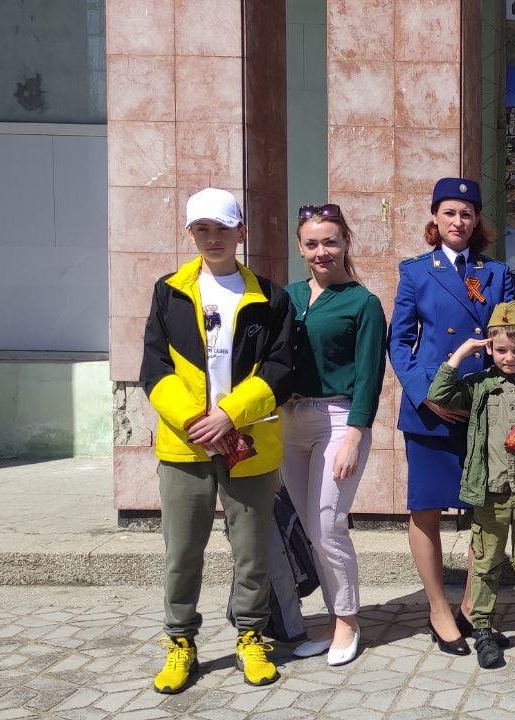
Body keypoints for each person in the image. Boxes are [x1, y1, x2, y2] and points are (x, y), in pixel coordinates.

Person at [142, 188, 294, 693]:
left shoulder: (271, 297)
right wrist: (194, 420)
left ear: (241, 232)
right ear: (190, 233)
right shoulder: (169, 291)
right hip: (185, 446)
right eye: (202, 229)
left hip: (248, 444)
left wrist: (229, 415)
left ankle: (251, 636)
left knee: (251, 552)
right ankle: (180, 641)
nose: (213, 238)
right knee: (183, 552)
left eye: (223, 228)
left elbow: (281, 369)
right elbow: (154, 367)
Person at [389, 178, 515, 656]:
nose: (458, 221)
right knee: (426, 509)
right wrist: (425, 395)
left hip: (486, 408)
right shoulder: (416, 271)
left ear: (477, 221)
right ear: (435, 218)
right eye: (449, 212)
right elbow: (400, 342)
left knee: (486, 512)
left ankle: (475, 606)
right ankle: (438, 608)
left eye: (467, 213)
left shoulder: (496, 273)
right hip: (433, 411)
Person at [427, 302, 515, 669]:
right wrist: (461, 353)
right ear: (489, 347)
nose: (509, 358)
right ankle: (483, 631)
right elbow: (439, 395)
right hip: (490, 495)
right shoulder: (479, 386)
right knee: (486, 566)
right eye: (501, 349)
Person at [281, 203, 385, 666]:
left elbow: (369, 376)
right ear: (300, 248)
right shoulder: (287, 297)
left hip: (339, 420)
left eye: (330, 242)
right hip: (289, 420)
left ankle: (347, 620)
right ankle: (331, 617)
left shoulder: (363, 303)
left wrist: (356, 436)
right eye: (311, 244)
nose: (321, 251)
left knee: (328, 524)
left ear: (345, 243)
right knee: (310, 527)